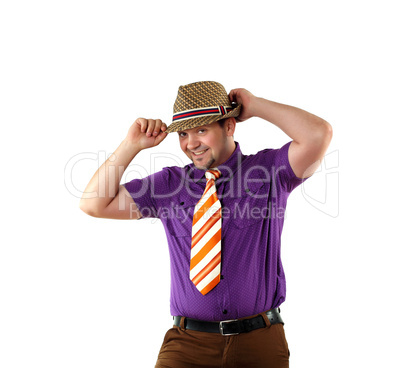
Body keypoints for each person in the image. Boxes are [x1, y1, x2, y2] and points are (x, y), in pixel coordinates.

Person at [79, 81, 332, 367]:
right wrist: (130, 146)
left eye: (202, 129)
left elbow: (318, 134)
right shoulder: (170, 184)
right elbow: (93, 203)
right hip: (187, 345)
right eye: (184, 133)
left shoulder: (269, 171)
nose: (191, 143)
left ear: (229, 127)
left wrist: (256, 105)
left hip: (259, 342)